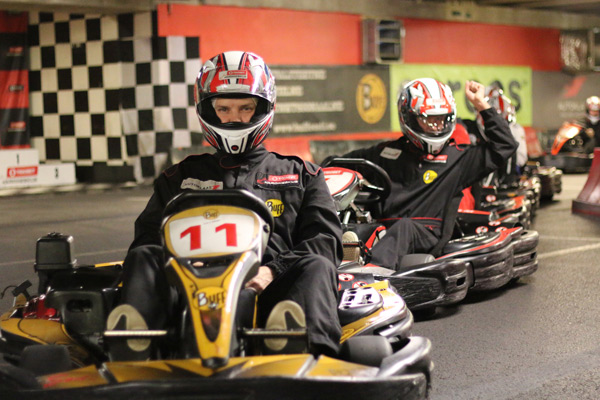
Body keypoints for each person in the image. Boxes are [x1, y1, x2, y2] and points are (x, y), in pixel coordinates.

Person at [108, 51, 343, 359]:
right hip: (189, 288)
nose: (235, 117)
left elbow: (324, 242)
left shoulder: (302, 175)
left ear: (264, 108)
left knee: (316, 264)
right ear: (209, 110)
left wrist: (271, 271)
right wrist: (182, 269)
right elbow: (148, 238)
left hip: (268, 289)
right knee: (144, 255)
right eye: (224, 108)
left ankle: (302, 349)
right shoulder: (180, 177)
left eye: (246, 108)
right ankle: (136, 346)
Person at [342, 78, 518, 269]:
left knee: (404, 228)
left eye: (441, 119)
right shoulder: (387, 152)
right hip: (384, 229)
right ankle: (336, 265)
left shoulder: (458, 158)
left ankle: (370, 273)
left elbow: (505, 146)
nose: (437, 125)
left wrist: (481, 105)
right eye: (429, 119)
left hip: (428, 233)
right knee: (352, 226)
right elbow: (341, 163)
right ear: (409, 118)